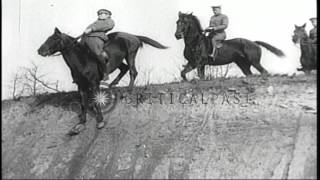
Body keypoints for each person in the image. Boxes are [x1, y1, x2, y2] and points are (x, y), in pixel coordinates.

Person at [81, 9, 115, 81]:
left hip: (96, 38)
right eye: (99, 14)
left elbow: (108, 26)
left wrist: (92, 29)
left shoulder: (109, 21)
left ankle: (105, 73)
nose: (101, 15)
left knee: (97, 53)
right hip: (86, 38)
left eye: (103, 13)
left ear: (108, 15)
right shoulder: (96, 22)